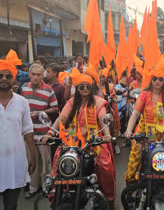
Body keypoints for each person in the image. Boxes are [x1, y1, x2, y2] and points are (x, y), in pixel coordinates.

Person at [42, 74, 116, 207]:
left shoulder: (98, 101)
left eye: (88, 86)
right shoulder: (71, 102)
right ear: (78, 88)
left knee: (106, 167)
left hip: (93, 141)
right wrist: (50, 132)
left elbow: (102, 118)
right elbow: (62, 118)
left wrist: (107, 135)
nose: (85, 89)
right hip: (72, 141)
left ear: (92, 88)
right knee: (59, 156)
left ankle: (108, 199)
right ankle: (55, 191)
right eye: (82, 86)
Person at [124, 58, 164, 186]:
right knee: (133, 166)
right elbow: (135, 113)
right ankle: (129, 193)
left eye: (160, 79)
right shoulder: (144, 95)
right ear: (151, 79)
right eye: (155, 79)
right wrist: (129, 131)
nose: (157, 81)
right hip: (144, 135)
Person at [0, 51, 36, 210]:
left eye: (8, 76)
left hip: (15, 162)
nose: (4, 79)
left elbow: (28, 131)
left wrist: (32, 156)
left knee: (11, 206)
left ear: (14, 78)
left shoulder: (22, 102)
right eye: (0, 75)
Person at [21, 63, 59, 199]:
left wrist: (40, 112)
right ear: (29, 75)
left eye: (38, 74)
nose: (36, 77)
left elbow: (55, 108)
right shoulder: (24, 88)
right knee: (31, 160)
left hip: (43, 132)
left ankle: (47, 187)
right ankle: (33, 187)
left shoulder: (49, 90)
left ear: (42, 76)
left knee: (47, 162)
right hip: (28, 132)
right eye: (33, 74)